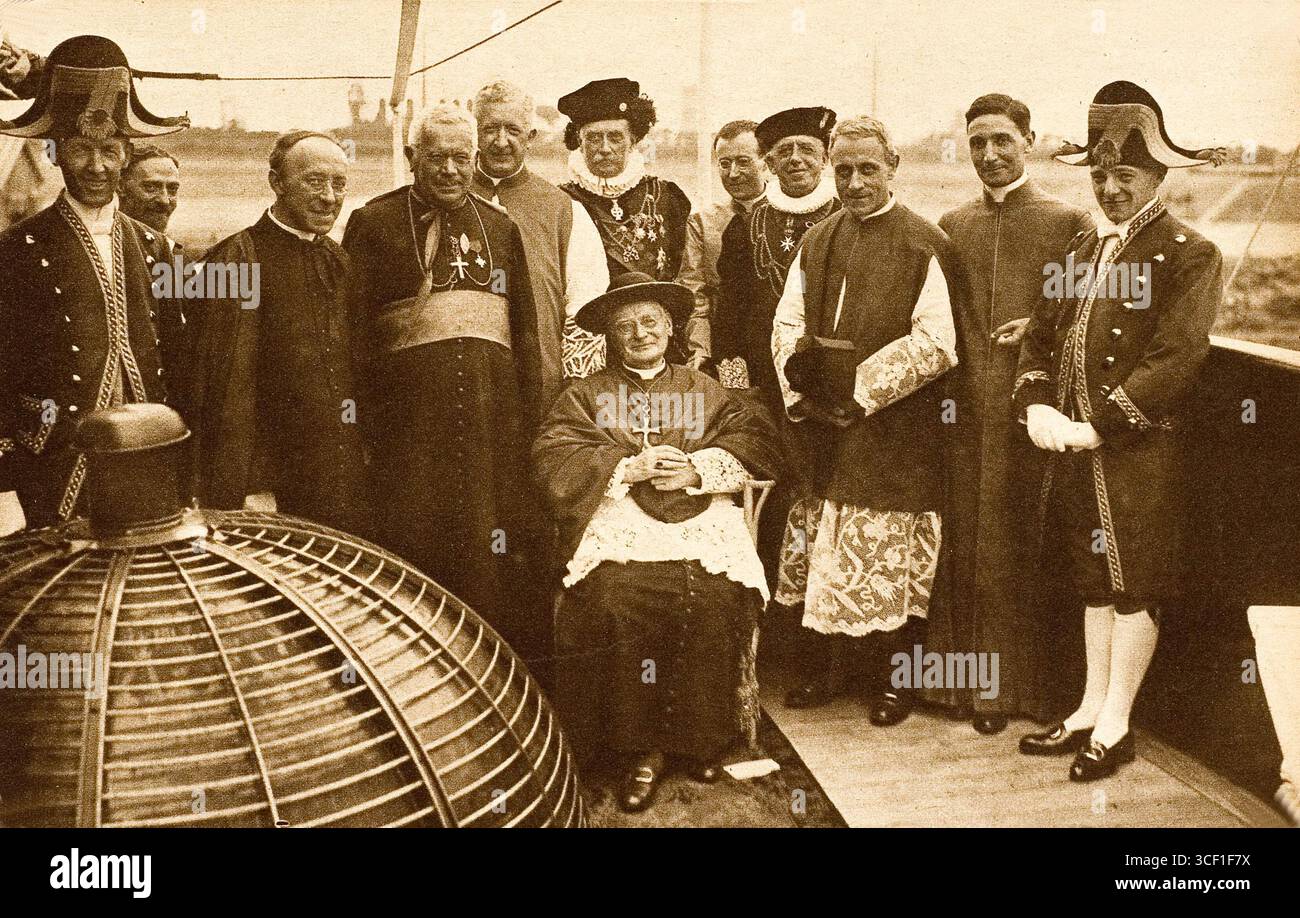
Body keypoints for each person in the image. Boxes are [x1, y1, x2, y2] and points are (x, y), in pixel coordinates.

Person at [1014, 81, 1224, 781]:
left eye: (1123, 177)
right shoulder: (1079, 242)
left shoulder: (1190, 252)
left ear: (1157, 178)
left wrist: (1099, 426)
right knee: (1092, 579)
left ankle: (1117, 723)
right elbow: (1040, 336)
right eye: (1100, 176)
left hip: (1139, 451)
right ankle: (1085, 709)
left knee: (1134, 582)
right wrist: (1037, 403)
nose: (1108, 189)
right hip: (1070, 447)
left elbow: (1178, 356)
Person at [534, 272, 782, 813]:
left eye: (650, 322)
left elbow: (756, 440)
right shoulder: (585, 395)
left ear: (671, 328)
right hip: (622, 526)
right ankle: (638, 748)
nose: (640, 333)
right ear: (610, 337)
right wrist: (627, 465)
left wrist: (696, 469)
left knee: (714, 596)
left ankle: (699, 740)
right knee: (616, 602)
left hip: (700, 524)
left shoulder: (706, 389)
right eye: (626, 327)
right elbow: (554, 457)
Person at [343, 104, 546, 663]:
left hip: (491, 424)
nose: (452, 170)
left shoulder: (501, 227)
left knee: (490, 550)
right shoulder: (373, 223)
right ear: (413, 159)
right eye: (438, 158)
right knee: (416, 541)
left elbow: (523, 331)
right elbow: (353, 336)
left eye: (462, 157)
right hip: (409, 429)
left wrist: (531, 424)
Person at [771, 116, 958, 725]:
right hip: (824, 426)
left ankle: (894, 681)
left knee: (891, 556)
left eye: (867, 169)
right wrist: (801, 378)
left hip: (895, 428)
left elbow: (938, 341)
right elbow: (787, 322)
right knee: (827, 543)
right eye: (843, 170)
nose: (853, 183)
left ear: (893, 165)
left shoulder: (925, 242)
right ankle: (829, 672)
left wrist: (859, 391)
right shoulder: (819, 239)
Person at [925, 94, 1093, 735]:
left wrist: (1040, 325)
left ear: (1029, 138)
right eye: (977, 144)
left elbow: (1088, 314)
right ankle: (959, 689)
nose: (990, 155)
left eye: (1002, 140)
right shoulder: (953, 224)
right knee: (963, 538)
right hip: (964, 408)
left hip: (1032, 408)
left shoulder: (1068, 221)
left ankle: (1015, 694)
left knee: (1020, 542)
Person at [0, 35, 189, 529]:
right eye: (82, 149)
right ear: (57, 154)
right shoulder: (16, 249)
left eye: (109, 150)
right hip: (58, 459)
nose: (97, 166)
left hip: (146, 454)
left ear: (126, 156)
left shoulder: (157, 248)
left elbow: (177, 356)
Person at [186, 131, 370, 535]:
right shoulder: (234, 260)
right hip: (269, 494)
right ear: (276, 183)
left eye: (339, 184)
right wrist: (248, 487)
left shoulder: (339, 261)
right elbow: (221, 391)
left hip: (341, 483)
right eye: (314, 181)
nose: (329, 197)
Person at [469, 79, 609, 409]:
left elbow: (584, 309)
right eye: (490, 129)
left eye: (513, 130)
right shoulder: (448, 198)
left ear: (530, 137)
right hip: (467, 380)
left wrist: (573, 394)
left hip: (539, 383)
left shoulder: (564, 209)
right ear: (474, 133)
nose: (501, 141)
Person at [558, 78, 692, 368]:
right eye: (593, 137)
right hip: (592, 346)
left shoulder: (668, 197)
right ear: (579, 143)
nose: (604, 148)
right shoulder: (560, 203)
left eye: (615, 137)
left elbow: (686, 276)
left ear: (634, 140)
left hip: (658, 344)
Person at [715, 106, 839, 409]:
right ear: (770, 163)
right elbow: (729, 313)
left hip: (833, 373)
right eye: (785, 151)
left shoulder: (844, 220)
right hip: (762, 378)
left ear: (825, 159)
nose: (796, 158)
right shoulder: (744, 226)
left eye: (807, 149)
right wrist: (737, 388)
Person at [674, 119, 767, 370]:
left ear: (765, 161)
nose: (733, 173)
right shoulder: (702, 222)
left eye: (743, 162)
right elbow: (694, 293)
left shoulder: (787, 215)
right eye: (725, 164)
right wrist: (700, 350)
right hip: (727, 346)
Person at [118, 144, 181, 234]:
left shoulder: (167, 246)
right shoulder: (103, 240)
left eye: (173, 189)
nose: (164, 201)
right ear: (121, 186)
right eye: (151, 187)